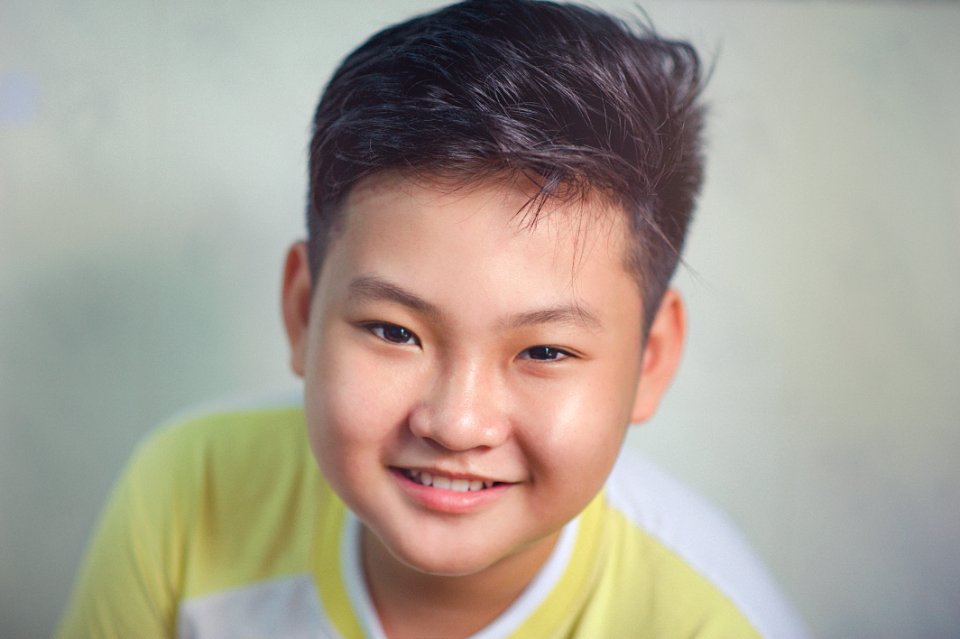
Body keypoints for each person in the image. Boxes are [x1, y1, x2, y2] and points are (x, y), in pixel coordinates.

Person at [57, 1, 809, 637]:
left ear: (650, 359)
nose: (456, 422)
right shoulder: (189, 497)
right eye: (394, 331)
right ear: (302, 309)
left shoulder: (712, 620)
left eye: (545, 350)